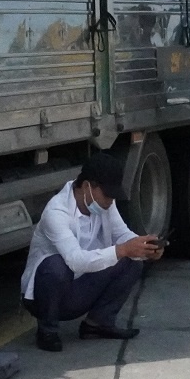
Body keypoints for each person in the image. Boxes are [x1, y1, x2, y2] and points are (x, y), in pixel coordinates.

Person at [21, 151, 164, 353]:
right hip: (45, 295)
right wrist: (123, 249)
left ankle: (97, 325)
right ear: (88, 185)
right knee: (55, 266)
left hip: (80, 288)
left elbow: (122, 235)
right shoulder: (56, 212)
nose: (110, 201)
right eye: (107, 194)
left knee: (132, 261)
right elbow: (76, 261)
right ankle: (47, 330)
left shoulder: (104, 204)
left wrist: (144, 248)